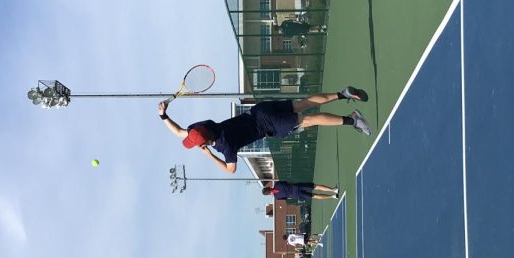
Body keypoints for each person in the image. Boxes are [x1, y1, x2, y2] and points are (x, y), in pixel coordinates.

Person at [158, 87, 371, 174]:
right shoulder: (204, 125)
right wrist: (163, 115)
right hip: (260, 110)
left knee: (309, 120)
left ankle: (352, 119)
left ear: (203, 144)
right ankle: (343, 94)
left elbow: (230, 170)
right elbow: (179, 132)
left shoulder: (225, 147)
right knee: (303, 103)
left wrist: (209, 154)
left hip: (269, 125)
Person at [263, 179, 340, 202]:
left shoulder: (277, 197)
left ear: (269, 194)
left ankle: (333, 196)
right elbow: (286, 182)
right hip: (297, 187)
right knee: (315, 187)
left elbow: (286, 198)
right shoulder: (277, 184)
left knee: (314, 196)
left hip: (296, 195)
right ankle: (334, 190)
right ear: (269, 187)